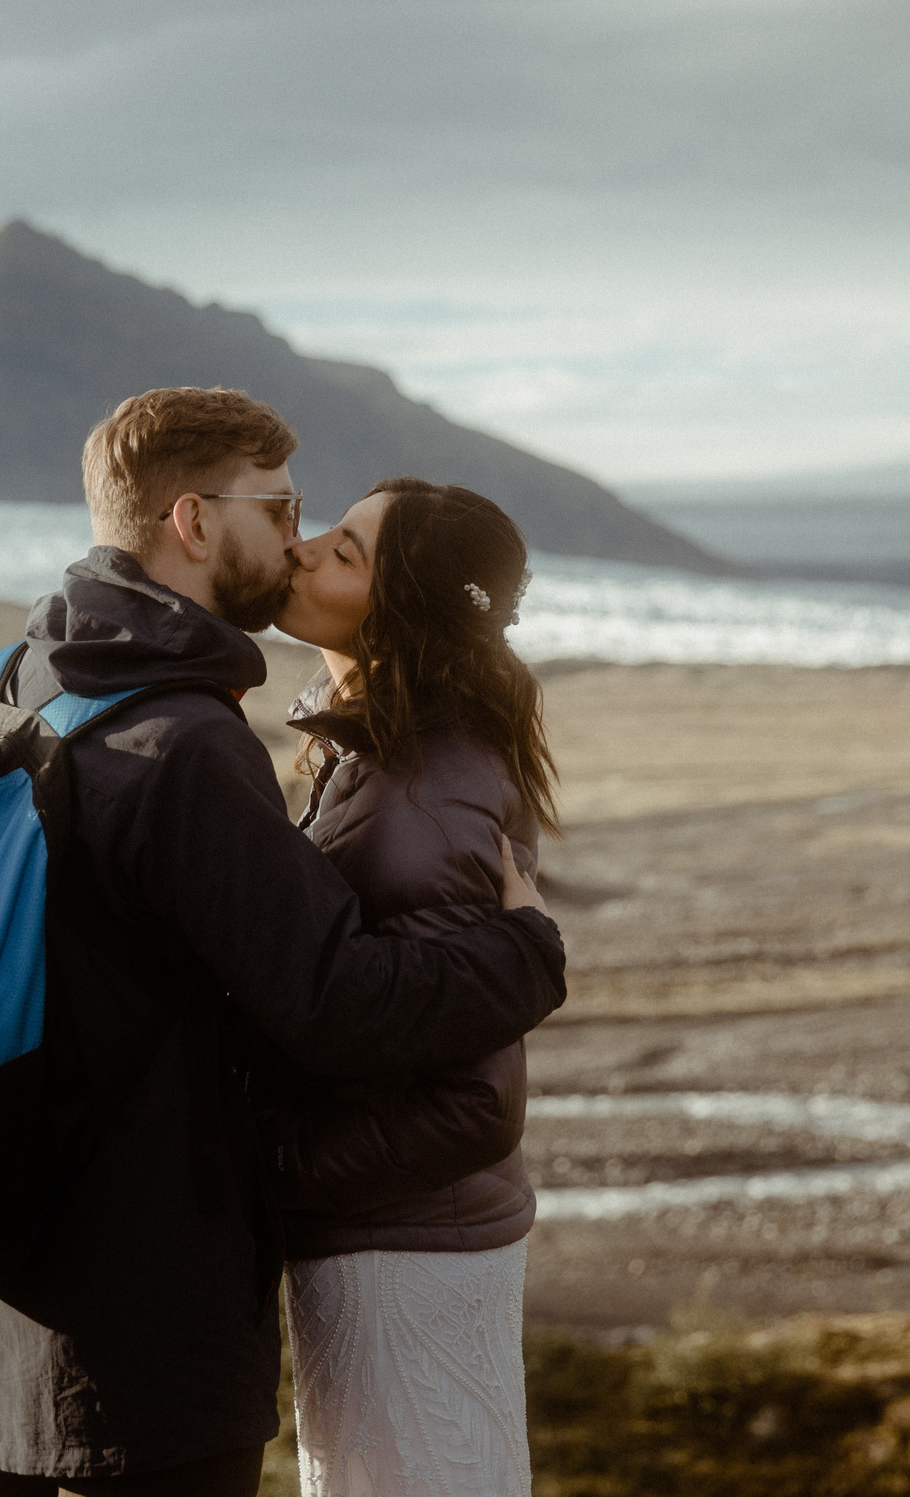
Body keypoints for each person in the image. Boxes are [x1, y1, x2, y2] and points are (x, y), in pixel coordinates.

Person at [0, 389, 566, 1497]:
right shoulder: (183, 737)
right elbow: (337, 1002)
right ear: (192, 521)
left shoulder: (14, 682)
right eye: (281, 508)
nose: (295, 537)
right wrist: (525, 957)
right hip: (137, 1341)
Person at [265, 478, 559, 1497]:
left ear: (405, 615)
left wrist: (272, 1175)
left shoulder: (420, 793)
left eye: (343, 552)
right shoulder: (385, 761)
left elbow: (474, 1105)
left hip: (402, 1249)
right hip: (399, 1237)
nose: (299, 551)